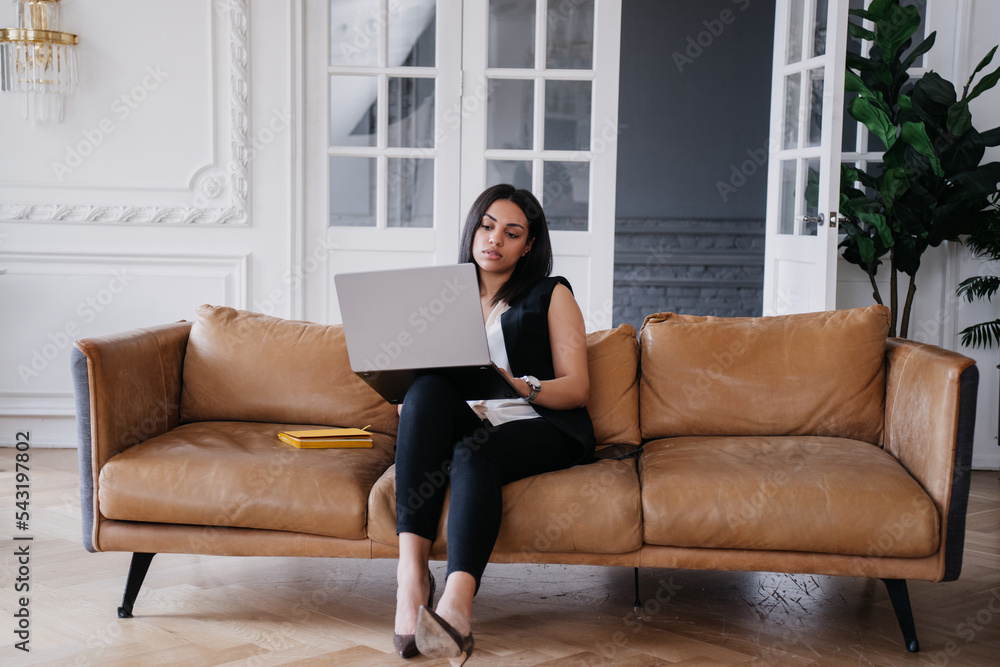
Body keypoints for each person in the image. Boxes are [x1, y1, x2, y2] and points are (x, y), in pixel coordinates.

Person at [392, 184, 597, 665]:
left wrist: (519, 383)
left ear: (528, 245)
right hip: (471, 420)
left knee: (473, 451)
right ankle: (412, 581)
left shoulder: (551, 293)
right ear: (472, 230)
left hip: (541, 423)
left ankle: (457, 607)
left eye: (511, 233)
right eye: (486, 226)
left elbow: (578, 387)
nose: (494, 240)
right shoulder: (442, 297)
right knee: (421, 392)